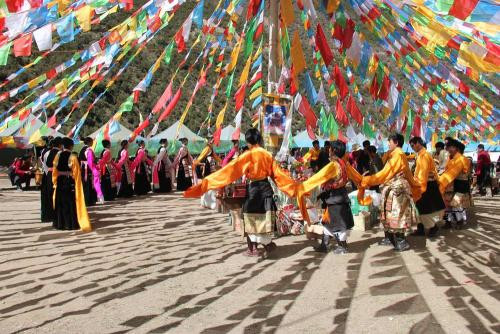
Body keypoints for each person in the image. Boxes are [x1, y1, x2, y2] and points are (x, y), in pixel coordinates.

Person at [184, 128, 297, 257]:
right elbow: (279, 176)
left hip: (254, 190)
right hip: (266, 189)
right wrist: (294, 188)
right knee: (263, 220)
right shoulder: (267, 155)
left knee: (249, 218)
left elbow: (229, 171)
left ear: (249, 141)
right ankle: (265, 244)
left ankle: (259, 247)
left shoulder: (247, 155)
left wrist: (209, 182)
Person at [359, 133, 420, 252]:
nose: (387, 144)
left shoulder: (398, 154)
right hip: (392, 188)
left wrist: (367, 180)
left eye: (389, 141)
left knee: (397, 214)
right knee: (390, 213)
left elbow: (385, 173)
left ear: (396, 143)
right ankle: (393, 238)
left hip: (397, 189)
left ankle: (401, 241)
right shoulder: (394, 154)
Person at [297, 140, 355, 254]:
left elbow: (319, 176)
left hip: (335, 198)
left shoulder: (333, 165)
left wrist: (303, 186)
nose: (328, 150)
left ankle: (343, 246)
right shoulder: (343, 162)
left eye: (330, 148)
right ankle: (324, 245)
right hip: (340, 196)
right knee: (327, 221)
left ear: (334, 150)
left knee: (339, 223)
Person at [52, 137, 91, 231]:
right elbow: (77, 172)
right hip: (69, 181)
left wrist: (55, 182)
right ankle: (70, 224)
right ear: (71, 146)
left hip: (60, 181)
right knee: (70, 202)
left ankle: (60, 224)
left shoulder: (58, 155)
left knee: (61, 201)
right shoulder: (73, 157)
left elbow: (54, 170)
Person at [409, 137, 445, 237]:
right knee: (421, 208)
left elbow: (423, 174)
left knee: (427, 209)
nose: (412, 148)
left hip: (426, 186)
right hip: (424, 185)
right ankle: (421, 228)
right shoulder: (420, 155)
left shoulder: (424, 155)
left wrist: (420, 189)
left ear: (418, 143)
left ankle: (433, 227)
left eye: (412, 145)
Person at [439, 139, 473, 229]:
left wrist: (440, 181)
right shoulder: (451, 159)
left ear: (456, 148)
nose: (448, 149)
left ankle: (459, 222)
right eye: (447, 147)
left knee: (456, 206)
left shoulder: (461, 159)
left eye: (450, 147)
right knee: (447, 206)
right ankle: (448, 222)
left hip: (459, 185)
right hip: (450, 185)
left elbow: (451, 173)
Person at [40, 137, 62, 222]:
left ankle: (49, 215)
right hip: (58, 175)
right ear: (60, 144)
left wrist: (47, 174)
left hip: (48, 175)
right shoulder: (61, 153)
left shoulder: (46, 152)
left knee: (49, 195)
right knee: (57, 195)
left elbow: (45, 166)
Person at [79, 137, 104, 206]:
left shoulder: (82, 149)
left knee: (86, 184)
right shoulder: (88, 150)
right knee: (89, 184)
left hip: (83, 168)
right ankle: (89, 200)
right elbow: (90, 161)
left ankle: (87, 200)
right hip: (89, 168)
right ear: (89, 142)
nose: (93, 143)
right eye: (92, 141)